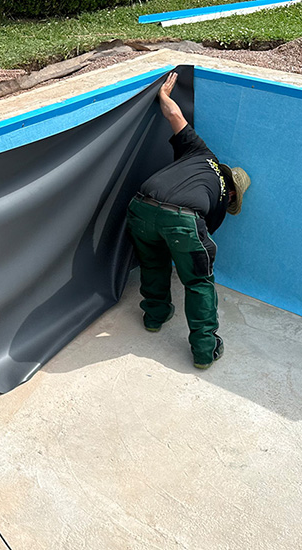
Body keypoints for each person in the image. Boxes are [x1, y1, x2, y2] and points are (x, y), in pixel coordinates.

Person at [126, 71, 251, 369]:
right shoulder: (220, 205)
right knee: (198, 282)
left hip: (140, 206)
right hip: (183, 218)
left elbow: (174, 115)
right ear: (232, 194)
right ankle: (205, 350)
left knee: (152, 263)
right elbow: (193, 246)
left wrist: (163, 95)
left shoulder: (200, 152)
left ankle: (154, 317)